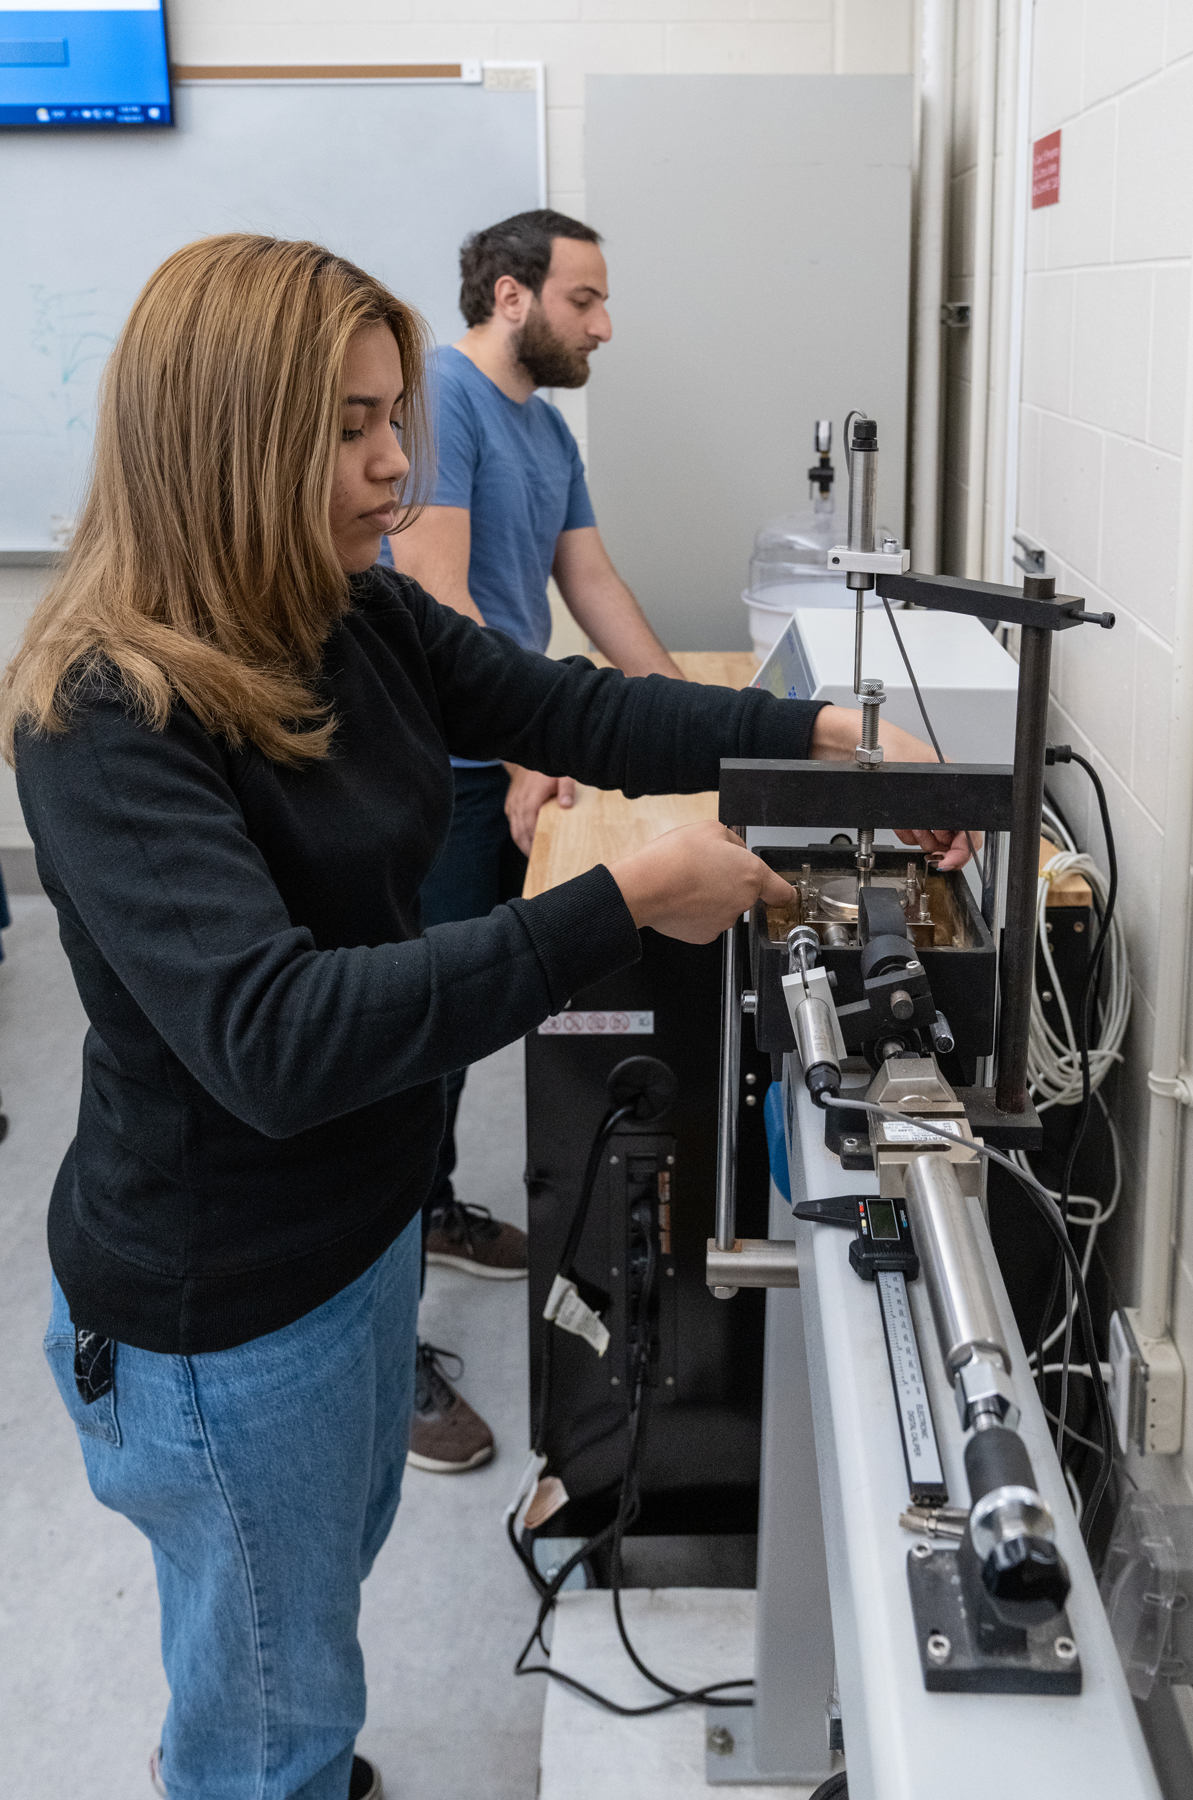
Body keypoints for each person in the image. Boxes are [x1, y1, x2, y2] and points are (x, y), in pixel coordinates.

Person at [1, 233, 971, 1800]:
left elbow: (574, 702)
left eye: (395, 418)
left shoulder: (351, 614)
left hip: (356, 1237)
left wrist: (825, 736)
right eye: (348, 427)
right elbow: (278, 1033)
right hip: (221, 1308)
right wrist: (625, 900)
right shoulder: (108, 712)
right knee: (264, 1701)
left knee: (304, 1611)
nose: (395, 463)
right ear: (223, 434)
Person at [381, 210, 685, 1475]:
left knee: (495, 1015)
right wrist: (521, 754)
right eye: (585, 300)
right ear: (512, 295)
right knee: (414, 1040)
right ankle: (381, 1341)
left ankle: (437, 1208)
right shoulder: (437, 401)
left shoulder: (548, 430)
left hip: (512, 761)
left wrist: (687, 739)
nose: (603, 325)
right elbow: (435, 597)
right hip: (444, 771)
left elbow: (593, 586)